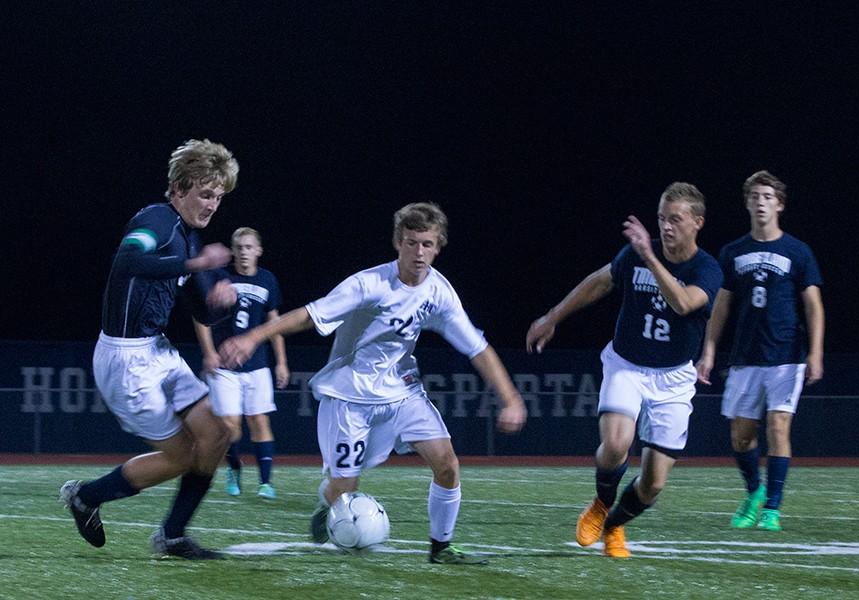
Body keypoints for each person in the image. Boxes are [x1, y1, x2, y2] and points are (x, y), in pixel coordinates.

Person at [219, 202, 527, 564]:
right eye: (411, 242)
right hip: (349, 398)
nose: (419, 252)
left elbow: (477, 348)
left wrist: (510, 398)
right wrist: (254, 337)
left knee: (447, 463)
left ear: (438, 246)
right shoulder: (369, 284)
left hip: (403, 394)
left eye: (427, 244)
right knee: (344, 488)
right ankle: (327, 503)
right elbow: (309, 316)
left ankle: (441, 548)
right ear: (398, 242)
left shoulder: (440, 293)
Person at [59, 139, 240, 559]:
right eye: (204, 193)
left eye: (217, 196)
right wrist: (197, 267)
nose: (212, 204)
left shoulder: (190, 238)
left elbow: (202, 310)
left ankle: (172, 537)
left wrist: (221, 301)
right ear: (178, 189)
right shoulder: (157, 220)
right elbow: (126, 260)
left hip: (157, 352)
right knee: (181, 455)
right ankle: (86, 497)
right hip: (125, 359)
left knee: (216, 433)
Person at [527, 182, 722, 558]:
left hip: (674, 378)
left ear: (698, 222)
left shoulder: (706, 268)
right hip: (627, 365)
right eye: (662, 218)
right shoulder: (636, 255)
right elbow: (600, 282)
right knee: (616, 444)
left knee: (653, 484)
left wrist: (649, 257)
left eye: (676, 220)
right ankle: (601, 504)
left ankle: (615, 524)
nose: (666, 226)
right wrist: (553, 317)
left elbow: (683, 304)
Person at [697, 170, 824, 532]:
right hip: (745, 356)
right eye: (755, 196)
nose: (761, 202)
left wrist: (815, 352)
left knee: (778, 426)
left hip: (787, 355)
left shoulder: (798, 251)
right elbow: (720, 306)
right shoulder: (733, 252)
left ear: (780, 204)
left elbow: (813, 305)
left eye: (768, 196)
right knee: (741, 434)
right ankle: (754, 491)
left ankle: (772, 507)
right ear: (747, 203)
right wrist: (708, 350)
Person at [193, 227, 290, 500]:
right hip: (224, 367)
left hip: (257, 364)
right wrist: (209, 352)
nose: (244, 252)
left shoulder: (267, 280)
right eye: (239, 247)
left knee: (259, 420)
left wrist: (281, 362)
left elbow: (275, 323)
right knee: (230, 426)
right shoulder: (220, 278)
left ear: (258, 251)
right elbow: (201, 317)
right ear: (233, 251)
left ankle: (265, 483)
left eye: (249, 247)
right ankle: (234, 468)